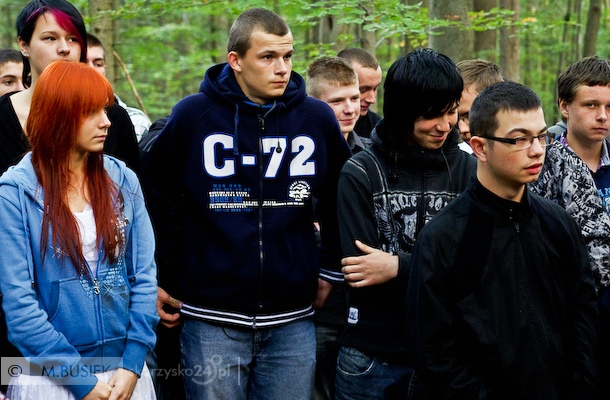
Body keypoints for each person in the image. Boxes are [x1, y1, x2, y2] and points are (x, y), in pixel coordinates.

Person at [140, 8, 351, 400]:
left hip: (292, 319)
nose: (282, 68)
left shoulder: (316, 118)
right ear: (235, 60)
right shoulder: (193, 116)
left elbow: (342, 197)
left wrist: (328, 268)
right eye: (268, 57)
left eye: (287, 56)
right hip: (211, 317)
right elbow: (154, 199)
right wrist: (161, 276)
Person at [407, 80, 598, 399]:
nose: (536, 150)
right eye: (519, 139)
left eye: (541, 136)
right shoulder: (444, 238)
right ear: (480, 147)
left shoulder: (557, 223)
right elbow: (434, 351)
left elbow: (583, 313)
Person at [0, 60, 158, 399]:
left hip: (125, 375)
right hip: (49, 379)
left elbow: (144, 277)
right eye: (90, 112)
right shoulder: (14, 194)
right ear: (56, 115)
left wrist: (133, 362)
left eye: (105, 109)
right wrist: (79, 380)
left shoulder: (123, 180)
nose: (106, 121)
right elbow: (18, 303)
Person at [336, 48, 476, 400]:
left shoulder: (470, 172)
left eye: (451, 111)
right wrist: (439, 269)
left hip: (449, 357)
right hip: (372, 358)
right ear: (402, 111)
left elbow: (477, 269)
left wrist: (396, 266)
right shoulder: (360, 172)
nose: (445, 125)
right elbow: (361, 273)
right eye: (431, 115)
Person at [529, 55, 610, 398]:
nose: (602, 116)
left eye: (609, 106)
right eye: (591, 105)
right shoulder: (538, 164)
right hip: (560, 318)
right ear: (564, 106)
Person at [0, 0, 140, 175]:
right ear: (24, 45)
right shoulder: (3, 117)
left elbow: (131, 189)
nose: (65, 49)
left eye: (73, 39)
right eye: (50, 38)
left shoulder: (112, 118)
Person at [305, 56, 369, 400]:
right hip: (316, 305)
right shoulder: (300, 156)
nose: (350, 108)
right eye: (337, 101)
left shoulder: (370, 155)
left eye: (354, 98)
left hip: (360, 305)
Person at [86, 33, 152, 142]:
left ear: (105, 69)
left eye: (98, 64)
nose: (91, 69)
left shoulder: (137, 122)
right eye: (83, 63)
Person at [455, 58, 503, 153]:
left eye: (469, 116)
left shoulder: (529, 153)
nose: (462, 129)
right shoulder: (457, 157)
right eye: (456, 119)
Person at [337, 47, 382, 138]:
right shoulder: (312, 121)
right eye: (363, 90)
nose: (372, 100)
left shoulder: (378, 129)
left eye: (375, 89)